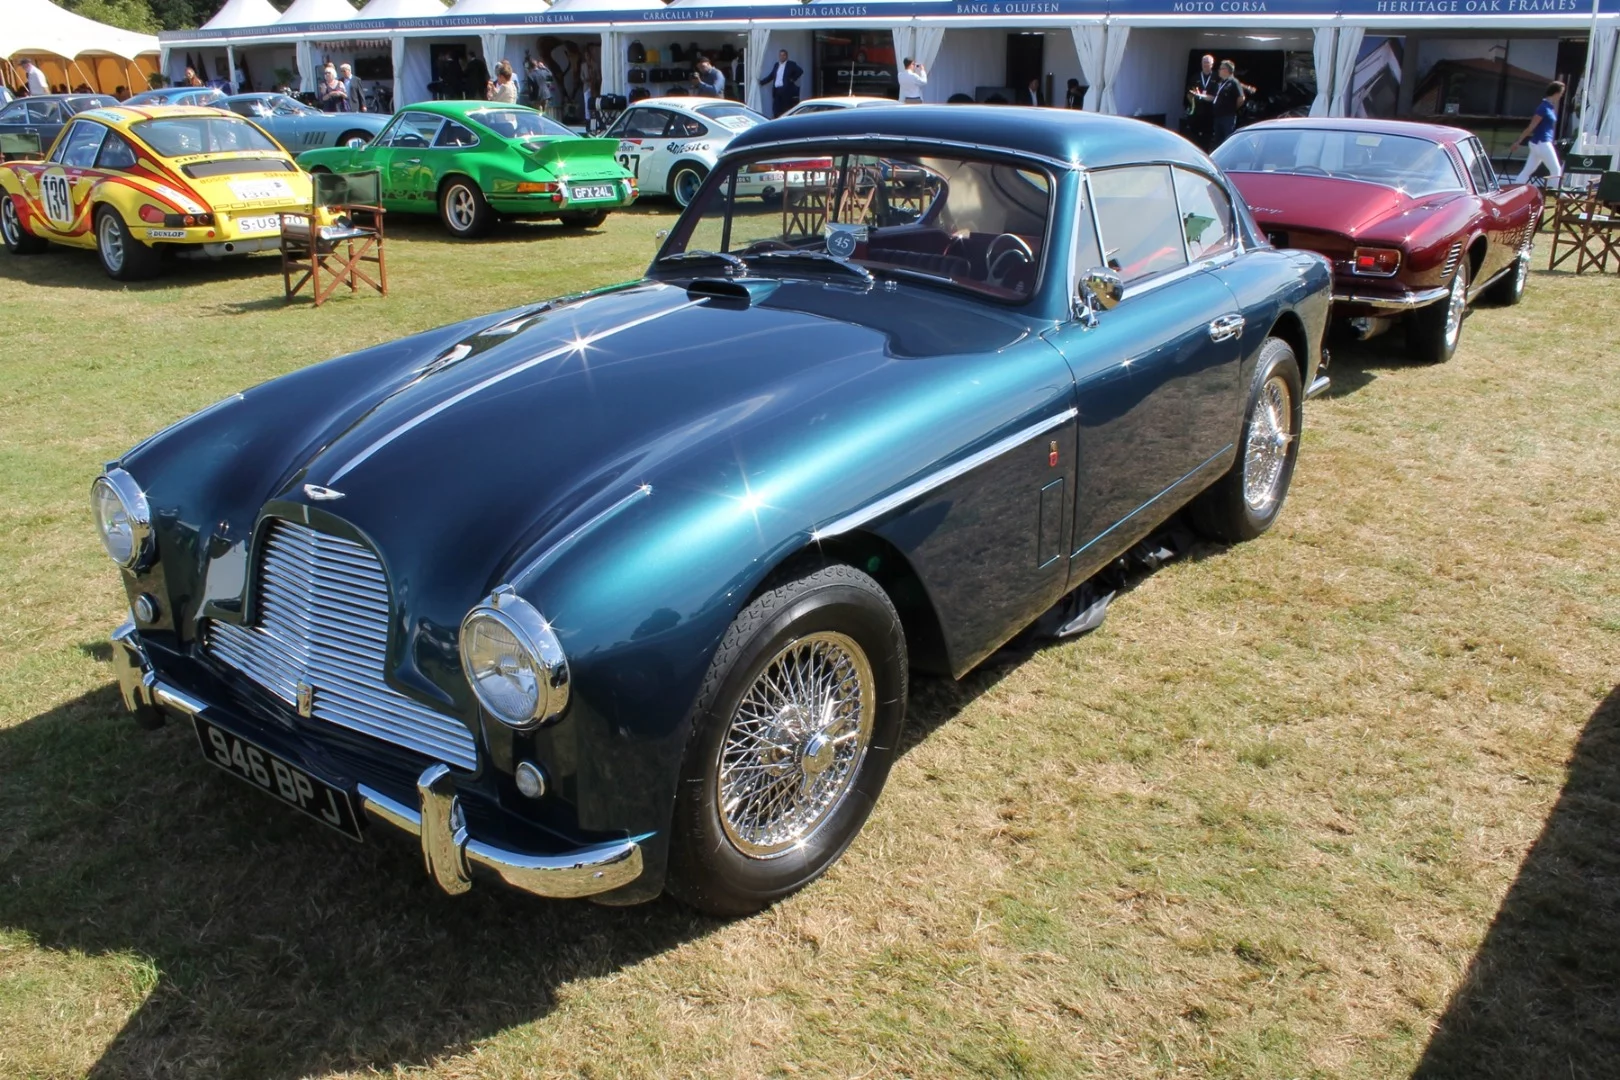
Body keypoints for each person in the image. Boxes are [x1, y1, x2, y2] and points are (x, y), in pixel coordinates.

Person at [1511, 80, 1565, 187]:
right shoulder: (1543, 108)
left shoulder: (1550, 107)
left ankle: (1515, 189)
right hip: (1542, 142)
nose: (1561, 96)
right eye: (1561, 93)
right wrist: (1518, 141)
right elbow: (1532, 126)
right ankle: (1556, 193)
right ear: (1556, 93)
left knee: (1527, 171)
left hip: (1539, 144)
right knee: (1556, 169)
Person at [1208, 59, 1246, 147]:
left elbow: (1241, 98)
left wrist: (1232, 108)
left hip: (1228, 117)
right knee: (1218, 141)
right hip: (1218, 116)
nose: (1219, 71)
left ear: (1227, 70)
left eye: (1221, 69)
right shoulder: (1220, 83)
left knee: (1227, 140)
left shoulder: (1234, 82)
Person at [759, 49, 804, 118]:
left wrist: (793, 79)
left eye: (783, 55)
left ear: (786, 56)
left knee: (785, 109)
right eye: (780, 55)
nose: (782, 57)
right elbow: (771, 76)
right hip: (777, 90)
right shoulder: (776, 65)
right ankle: (776, 121)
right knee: (776, 109)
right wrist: (762, 82)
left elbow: (800, 71)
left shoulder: (791, 64)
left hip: (786, 90)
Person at [1186, 53, 1216, 150]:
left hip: (1210, 113)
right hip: (1197, 112)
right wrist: (1193, 104)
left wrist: (1201, 96)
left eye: (1207, 62)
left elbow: (1216, 97)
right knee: (1195, 138)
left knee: (1207, 138)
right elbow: (1189, 94)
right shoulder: (1195, 77)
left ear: (1212, 64)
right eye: (1204, 62)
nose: (1205, 64)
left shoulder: (1216, 78)